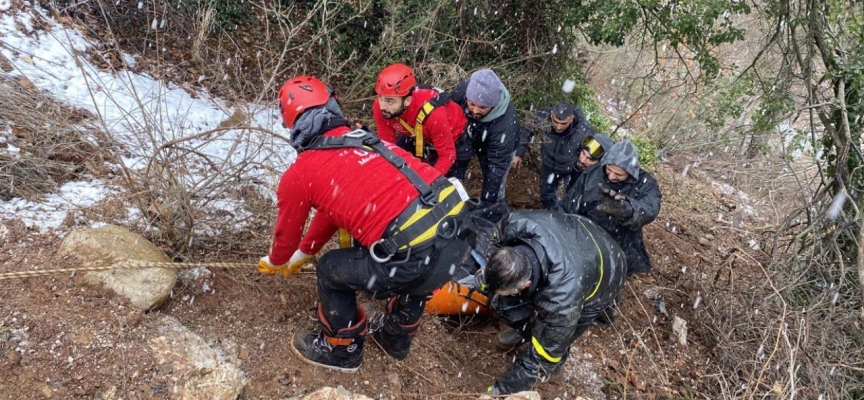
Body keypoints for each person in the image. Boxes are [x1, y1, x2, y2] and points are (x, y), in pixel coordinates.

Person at [258, 76, 473, 372]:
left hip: (414, 257)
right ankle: (395, 339)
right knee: (419, 260)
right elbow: (333, 207)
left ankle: (342, 350)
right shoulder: (367, 140)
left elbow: (285, 239)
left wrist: (278, 260)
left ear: (293, 125)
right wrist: (305, 250)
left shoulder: (302, 172)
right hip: (457, 236)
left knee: (330, 269)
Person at [477, 210, 627, 395]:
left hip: (609, 268)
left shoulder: (562, 300)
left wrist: (500, 390)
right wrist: (485, 279)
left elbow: (543, 358)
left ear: (525, 284)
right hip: (578, 232)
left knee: (560, 338)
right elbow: (490, 242)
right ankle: (525, 332)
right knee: (510, 306)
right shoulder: (515, 223)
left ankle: (556, 364)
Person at [562, 139, 661, 276]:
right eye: (609, 169)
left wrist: (626, 209)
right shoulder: (593, 172)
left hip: (621, 239)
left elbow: (650, 209)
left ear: (631, 172)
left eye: (619, 174)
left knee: (616, 272)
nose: (611, 176)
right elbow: (570, 202)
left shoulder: (646, 184)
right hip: (586, 231)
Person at [371, 63, 469, 175]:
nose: (382, 106)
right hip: (418, 134)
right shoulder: (382, 108)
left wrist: (428, 182)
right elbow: (387, 146)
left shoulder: (434, 114)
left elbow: (447, 155)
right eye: (380, 97)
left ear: (407, 101)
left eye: (390, 101)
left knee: (446, 183)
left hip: (456, 138)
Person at [449, 69, 520, 222]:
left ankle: (496, 214)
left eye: (482, 108)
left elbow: (496, 168)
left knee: (494, 185)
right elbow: (449, 110)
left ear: (493, 105)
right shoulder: (465, 89)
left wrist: (487, 204)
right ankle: (453, 201)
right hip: (472, 134)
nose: (475, 110)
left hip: (499, 149)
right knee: (455, 168)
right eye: (472, 104)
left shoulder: (505, 126)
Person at [513, 101, 600, 210]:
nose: (558, 127)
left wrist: (584, 167)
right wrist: (518, 153)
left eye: (563, 123)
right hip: (548, 164)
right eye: (555, 121)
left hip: (571, 169)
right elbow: (527, 129)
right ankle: (551, 214)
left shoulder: (584, 130)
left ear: (571, 118)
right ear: (551, 115)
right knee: (546, 196)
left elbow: (595, 154)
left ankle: (563, 216)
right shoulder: (543, 116)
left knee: (570, 200)